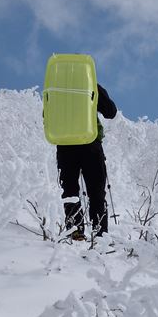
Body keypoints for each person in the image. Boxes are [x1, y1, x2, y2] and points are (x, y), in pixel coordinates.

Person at [55, 83, 117, 241]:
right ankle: (100, 235)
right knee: (96, 192)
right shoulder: (90, 85)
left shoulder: (56, 86)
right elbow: (110, 112)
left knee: (70, 190)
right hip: (90, 144)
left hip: (65, 145)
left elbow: (47, 115)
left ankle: (75, 231)